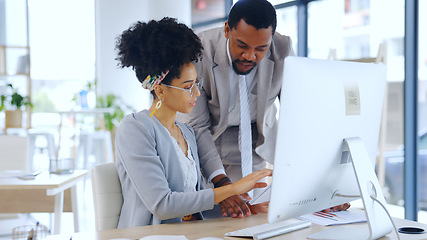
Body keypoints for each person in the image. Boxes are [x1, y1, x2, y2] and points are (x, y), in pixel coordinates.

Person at [177, 0, 350, 217]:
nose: (250, 56)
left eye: (261, 48)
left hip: (253, 140)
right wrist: (222, 184)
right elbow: (197, 126)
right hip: (207, 137)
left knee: (249, 214)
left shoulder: (283, 49)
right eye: (242, 45)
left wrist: (324, 184)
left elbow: (300, 119)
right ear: (227, 29)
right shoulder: (199, 51)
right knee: (208, 214)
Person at [114, 17, 272, 228]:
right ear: (160, 90)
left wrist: (241, 206)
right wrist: (233, 189)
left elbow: (191, 207)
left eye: (196, 83)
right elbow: (163, 205)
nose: (196, 92)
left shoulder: (186, 132)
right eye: (188, 86)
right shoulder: (135, 129)